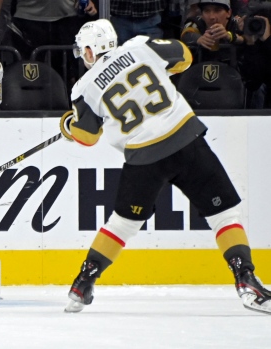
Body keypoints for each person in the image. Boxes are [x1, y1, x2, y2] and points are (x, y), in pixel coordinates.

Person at [61, 19, 271, 314]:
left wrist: (68, 125)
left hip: (143, 156)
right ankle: (245, 279)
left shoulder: (83, 88)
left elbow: (85, 136)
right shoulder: (138, 47)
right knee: (224, 214)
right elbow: (184, 56)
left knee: (122, 224)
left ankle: (82, 284)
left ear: (90, 50)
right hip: (185, 139)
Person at [181, 0, 244, 64]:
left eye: (217, 10)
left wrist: (228, 35)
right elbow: (186, 34)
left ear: (229, 13)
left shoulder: (235, 24)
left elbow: (245, 39)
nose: (212, 17)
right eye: (207, 11)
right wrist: (199, 39)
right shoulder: (197, 22)